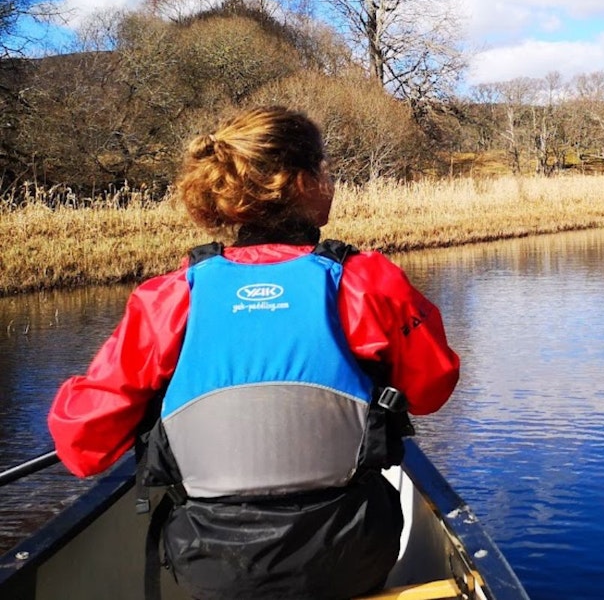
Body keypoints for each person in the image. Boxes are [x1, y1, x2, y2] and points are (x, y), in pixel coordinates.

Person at [47, 106, 461, 600]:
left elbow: (81, 446)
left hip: (212, 565)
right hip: (350, 554)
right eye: (325, 170)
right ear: (303, 182)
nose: (330, 182)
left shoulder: (171, 296)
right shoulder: (366, 281)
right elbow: (432, 388)